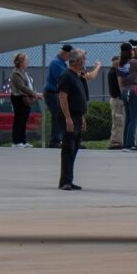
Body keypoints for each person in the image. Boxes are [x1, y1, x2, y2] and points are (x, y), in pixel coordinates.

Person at [53, 49, 91, 191]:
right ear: (77, 61)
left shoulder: (77, 76)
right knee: (68, 149)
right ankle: (64, 181)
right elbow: (62, 97)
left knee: (74, 149)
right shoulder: (66, 76)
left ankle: (69, 179)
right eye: (83, 59)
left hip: (77, 117)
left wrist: (82, 117)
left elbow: (79, 98)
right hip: (69, 118)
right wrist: (68, 118)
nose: (85, 61)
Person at [111, 43, 137, 151]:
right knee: (134, 118)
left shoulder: (120, 64)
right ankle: (131, 143)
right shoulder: (134, 62)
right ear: (131, 51)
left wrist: (123, 92)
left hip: (124, 91)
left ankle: (126, 143)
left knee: (128, 118)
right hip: (134, 90)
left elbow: (120, 82)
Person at [6, 53, 38, 146]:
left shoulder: (25, 72)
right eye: (26, 60)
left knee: (24, 120)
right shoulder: (16, 73)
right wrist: (33, 94)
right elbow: (21, 87)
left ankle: (23, 141)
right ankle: (16, 141)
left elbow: (31, 84)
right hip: (18, 98)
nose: (28, 62)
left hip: (26, 98)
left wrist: (34, 92)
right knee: (19, 119)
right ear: (20, 62)